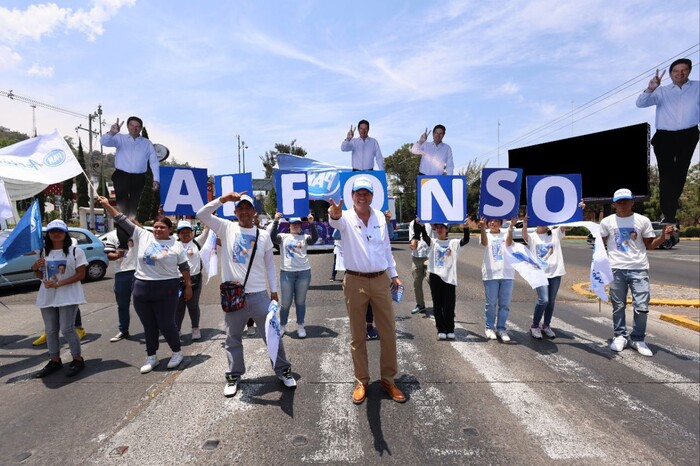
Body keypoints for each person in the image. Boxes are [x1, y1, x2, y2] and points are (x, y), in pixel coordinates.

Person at [196, 192, 296, 398]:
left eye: (247, 208)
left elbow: (269, 265)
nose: (243, 211)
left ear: (254, 212)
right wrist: (224, 198)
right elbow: (201, 213)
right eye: (239, 208)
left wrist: (274, 291)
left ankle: (283, 369)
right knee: (233, 337)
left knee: (272, 334)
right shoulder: (226, 228)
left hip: (259, 294)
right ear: (235, 212)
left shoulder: (264, 235)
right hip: (234, 296)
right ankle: (234, 375)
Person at [328, 176, 406, 405]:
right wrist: (334, 213)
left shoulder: (380, 216)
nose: (362, 196)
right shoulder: (345, 217)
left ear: (372, 196)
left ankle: (388, 379)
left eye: (366, 193)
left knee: (389, 331)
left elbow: (386, 249)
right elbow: (335, 222)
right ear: (352, 196)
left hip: (381, 280)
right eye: (358, 193)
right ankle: (362, 380)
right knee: (358, 334)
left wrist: (394, 275)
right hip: (355, 281)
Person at [98, 196, 191, 374]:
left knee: (166, 323)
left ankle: (177, 352)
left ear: (169, 230)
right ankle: (151, 356)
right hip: (142, 287)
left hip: (167, 288)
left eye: (162, 227)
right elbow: (121, 219)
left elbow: (184, 268)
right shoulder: (142, 235)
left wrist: (187, 286)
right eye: (155, 226)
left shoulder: (176, 245)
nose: (158, 230)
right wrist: (108, 206)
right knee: (148, 325)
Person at [600, 188, 674, 357]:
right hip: (616, 268)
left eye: (626, 200)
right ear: (614, 204)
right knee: (618, 306)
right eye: (619, 201)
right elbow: (600, 245)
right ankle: (620, 336)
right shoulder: (607, 222)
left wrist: (663, 236)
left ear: (633, 202)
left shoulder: (642, 220)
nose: (623, 204)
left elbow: (649, 245)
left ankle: (638, 339)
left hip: (639, 269)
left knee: (641, 307)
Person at [636, 58, 699, 225]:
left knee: (681, 172)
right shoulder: (661, 91)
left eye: (684, 70)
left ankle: (672, 202)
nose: (680, 73)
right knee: (666, 175)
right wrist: (650, 88)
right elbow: (640, 103)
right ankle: (669, 214)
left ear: (689, 71)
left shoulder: (698, 87)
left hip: (689, 134)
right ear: (670, 74)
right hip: (665, 137)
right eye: (676, 71)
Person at [31, 220, 86, 378]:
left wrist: (59, 283)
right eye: (52, 231)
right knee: (50, 330)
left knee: (67, 328)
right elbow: (42, 276)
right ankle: (55, 360)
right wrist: (35, 269)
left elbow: (81, 274)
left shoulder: (75, 251)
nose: (56, 234)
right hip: (48, 295)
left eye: (60, 231)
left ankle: (77, 358)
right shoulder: (43, 252)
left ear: (65, 233)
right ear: (48, 234)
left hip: (68, 295)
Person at [100, 116, 160, 246]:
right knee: (122, 207)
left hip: (139, 177)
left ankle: (132, 238)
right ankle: (123, 241)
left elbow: (154, 162)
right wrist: (111, 132)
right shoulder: (120, 138)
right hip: (121, 175)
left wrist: (156, 179)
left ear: (140, 128)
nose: (135, 128)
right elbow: (103, 142)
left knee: (132, 210)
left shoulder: (146, 143)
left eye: (137, 126)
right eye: (132, 125)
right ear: (127, 126)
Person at [413, 217, 471, 340]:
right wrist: (422, 227)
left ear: (446, 230)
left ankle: (450, 329)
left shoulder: (453, 243)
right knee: (437, 304)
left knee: (449, 305)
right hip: (435, 277)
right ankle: (441, 329)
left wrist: (466, 228)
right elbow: (425, 238)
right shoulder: (433, 242)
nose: (439, 229)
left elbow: (465, 240)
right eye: (437, 227)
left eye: (442, 227)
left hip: (449, 278)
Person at [270, 213, 318, 338]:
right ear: (289, 225)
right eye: (293, 223)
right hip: (287, 273)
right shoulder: (283, 237)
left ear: (300, 226)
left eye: (297, 224)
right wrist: (276, 221)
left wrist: (312, 223)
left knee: (300, 301)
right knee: (285, 302)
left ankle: (300, 326)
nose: (295, 226)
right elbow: (272, 238)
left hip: (304, 272)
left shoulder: (305, 237)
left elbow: (314, 239)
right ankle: (282, 325)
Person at [479, 217, 515, 342]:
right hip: (490, 274)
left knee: (505, 305)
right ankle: (489, 327)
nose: (492, 223)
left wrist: (510, 228)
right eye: (490, 221)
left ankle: (501, 328)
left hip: (507, 274)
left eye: (495, 221)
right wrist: (483, 228)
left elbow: (509, 244)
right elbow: (484, 243)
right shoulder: (486, 234)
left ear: (501, 223)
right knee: (491, 304)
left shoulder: (506, 233)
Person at [175, 220, 210, 341]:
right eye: (182, 232)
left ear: (192, 233)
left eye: (188, 232)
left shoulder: (197, 242)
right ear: (178, 234)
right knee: (178, 307)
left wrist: (210, 216)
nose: (185, 234)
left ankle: (195, 328)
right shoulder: (174, 245)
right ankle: (177, 330)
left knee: (193, 306)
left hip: (195, 279)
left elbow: (207, 229)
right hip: (178, 281)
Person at [103, 228, 137, 342]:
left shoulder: (138, 231)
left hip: (140, 271)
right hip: (122, 272)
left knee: (145, 303)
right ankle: (123, 330)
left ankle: (153, 328)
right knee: (122, 304)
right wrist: (117, 255)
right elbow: (109, 254)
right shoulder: (113, 235)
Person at [408, 216, 431, 315]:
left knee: (432, 280)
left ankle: (440, 304)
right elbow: (412, 238)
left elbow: (435, 231)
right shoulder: (412, 223)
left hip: (430, 255)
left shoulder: (431, 221)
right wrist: (413, 244)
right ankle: (420, 305)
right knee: (416, 282)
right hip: (416, 256)